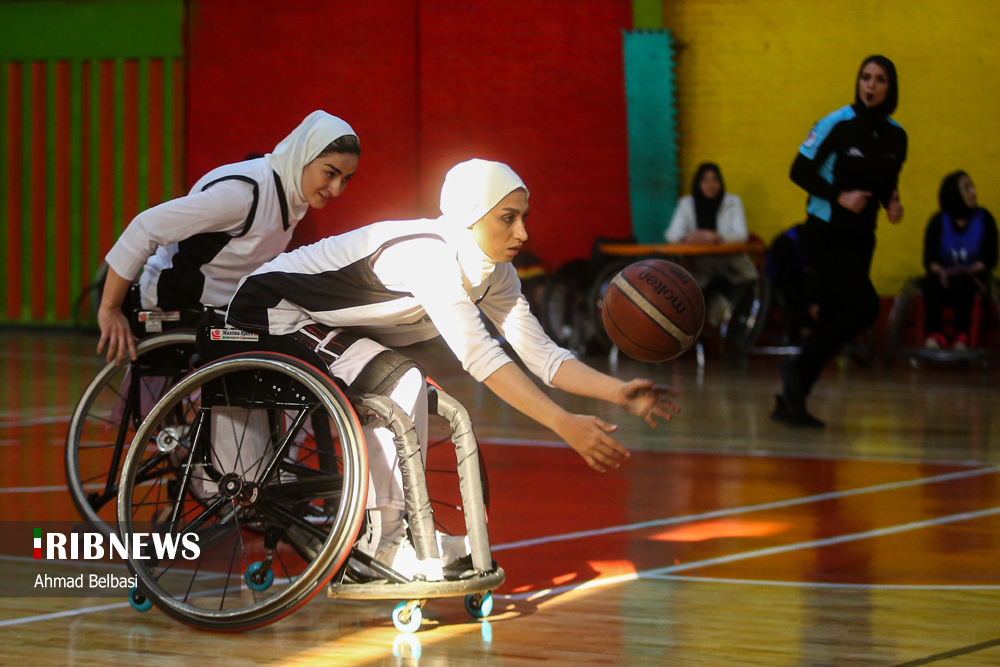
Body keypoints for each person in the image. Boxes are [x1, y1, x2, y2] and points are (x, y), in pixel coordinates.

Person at [227, 158, 679, 580]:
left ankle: (394, 531)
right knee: (398, 380)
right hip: (273, 313)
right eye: (508, 218)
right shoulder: (429, 256)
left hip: (324, 324)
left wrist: (619, 392)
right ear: (470, 215)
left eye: (524, 216)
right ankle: (376, 547)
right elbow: (481, 356)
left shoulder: (495, 274)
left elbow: (543, 355)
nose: (522, 232)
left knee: (401, 379)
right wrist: (563, 423)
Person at [96, 110, 360, 364]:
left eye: (346, 179)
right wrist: (110, 308)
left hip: (217, 309)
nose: (336, 189)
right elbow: (145, 227)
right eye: (330, 173)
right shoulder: (243, 195)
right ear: (304, 156)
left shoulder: (293, 196)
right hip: (174, 305)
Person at [772, 55, 907, 428]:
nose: (871, 85)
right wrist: (839, 196)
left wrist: (892, 205)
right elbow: (798, 170)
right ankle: (797, 370)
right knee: (865, 308)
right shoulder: (837, 123)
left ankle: (791, 400)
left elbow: (886, 185)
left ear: (890, 87)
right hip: (825, 231)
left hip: (863, 238)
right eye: (866, 77)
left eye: (880, 79)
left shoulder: (897, 136)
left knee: (834, 317)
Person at [665, 163, 758, 327]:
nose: (710, 185)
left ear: (721, 183)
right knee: (683, 295)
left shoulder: (732, 202)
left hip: (731, 267)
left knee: (738, 295)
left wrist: (716, 237)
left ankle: (730, 335)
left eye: (715, 180)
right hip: (699, 268)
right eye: (705, 180)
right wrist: (690, 237)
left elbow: (741, 235)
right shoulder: (687, 203)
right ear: (697, 183)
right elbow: (672, 234)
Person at [922, 171, 998, 350]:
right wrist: (941, 271)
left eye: (973, 187)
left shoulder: (985, 219)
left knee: (962, 283)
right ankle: (936, 334)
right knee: (929, 283)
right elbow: (929, 259)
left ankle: (962, 335)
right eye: (966, 189)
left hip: (973, 279)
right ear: (953, 194)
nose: (973, 192)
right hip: (943, 279)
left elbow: (989, 259)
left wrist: (965, 270)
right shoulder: (938, 221)